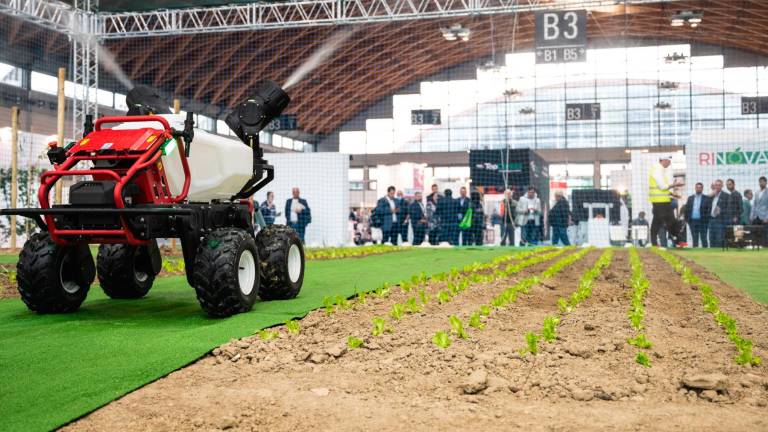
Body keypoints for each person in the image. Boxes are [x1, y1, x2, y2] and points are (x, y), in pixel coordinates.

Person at [648, 154, 683, 247]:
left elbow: (662, 189)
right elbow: (663, 187)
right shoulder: (657, 169)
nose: (669, 163)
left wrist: (672, 194)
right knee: (662, 221)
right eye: (668, 161)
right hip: (659, 201)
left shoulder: (660, 170)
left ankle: (677, 240)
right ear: (663, 160)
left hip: (663, 200)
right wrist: (675, 185)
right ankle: (677, 240)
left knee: (664, 221)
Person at [684, 182, 712, 248]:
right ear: (695, 188)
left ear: (702, 189)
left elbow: (709, 210)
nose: (698, 189)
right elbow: (686, 209)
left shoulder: (706, 198)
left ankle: (706, 253)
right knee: (695, 239)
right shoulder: (690, 198)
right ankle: (695, 253)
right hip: (692, 221)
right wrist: (687, 220)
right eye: (697, 187)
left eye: (700, 187)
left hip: (703, 222)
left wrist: (706, 220)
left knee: (704, 239)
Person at [708, 179, 730, 248]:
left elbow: (729, 209)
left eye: (719, 185)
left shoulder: (726, 195)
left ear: (722, 186)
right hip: (711, 220)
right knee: (711, 239)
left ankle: (720, 254)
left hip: (720, 221)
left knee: (719, 239)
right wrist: (710, 194)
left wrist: (721, 211)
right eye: (716, 185)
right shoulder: (711, 195)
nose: (717, 187)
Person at [751, 176, 768, 245]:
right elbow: (754, 205)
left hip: (764, 217)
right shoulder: (757, 192)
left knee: (765, 233)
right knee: (755, 232)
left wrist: (767, 217)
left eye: (763, 182)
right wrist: (751, 215)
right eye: (760, 182)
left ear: (766, 182)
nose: (761, 183)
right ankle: (756, 245)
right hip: (756, 216)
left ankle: (765, 246)